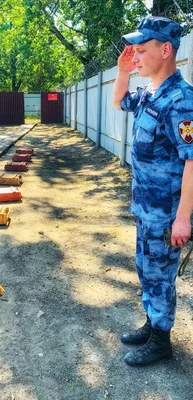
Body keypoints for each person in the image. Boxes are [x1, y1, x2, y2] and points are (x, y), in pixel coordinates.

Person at [113, 16, 193, 366]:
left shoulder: (182, 100)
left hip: (166, 216)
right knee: (146, 270)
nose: (137, 56)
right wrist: (122, 71)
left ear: (165, 49)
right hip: (145, 208)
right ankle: (152, 324)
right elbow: (119, 102)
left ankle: (161, 341)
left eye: (142, 50)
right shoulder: (150, 93)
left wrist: (183, 219)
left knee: (160, 276)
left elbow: (192, 162)